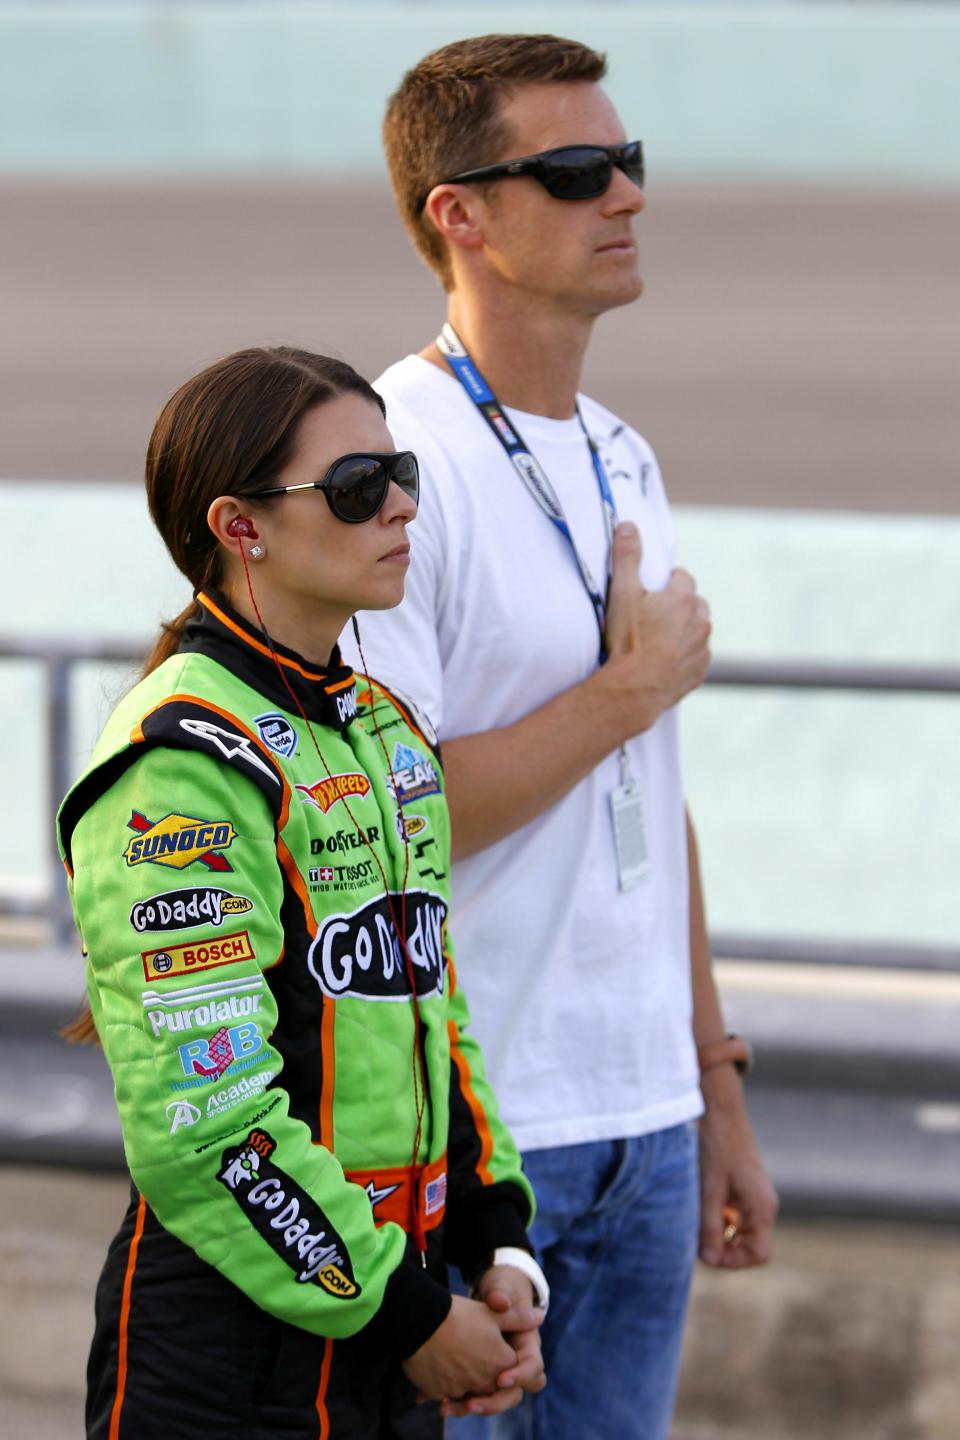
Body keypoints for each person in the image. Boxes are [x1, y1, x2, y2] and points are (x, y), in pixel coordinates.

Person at [340, 34, 779, 1440]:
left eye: (628, 164)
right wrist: (624, 694)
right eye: (579, 171)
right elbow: (383, 826)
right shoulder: (382, 461)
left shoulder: (621, 449)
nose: (627, 197)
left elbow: (652, 787)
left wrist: (713, 1085)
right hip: (473, 1142)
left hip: (646, 1122)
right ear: (456, 214)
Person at [56, 345, 550, 1439]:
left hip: (387, 1330)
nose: (405, 507)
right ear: (242, 527)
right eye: (359, 488)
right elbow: (208, 1125)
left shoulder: (381, 725)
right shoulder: (178, 764)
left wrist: (494, 1237)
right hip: (229, 1359)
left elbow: (432, 1009)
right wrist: (412, 1314)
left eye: (401, 471)